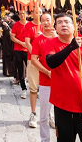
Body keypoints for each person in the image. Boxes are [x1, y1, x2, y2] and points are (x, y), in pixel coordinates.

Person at [43, 13, 82, 142]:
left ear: (75, 26)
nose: (63, 24)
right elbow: (51, 62)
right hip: (62, 107)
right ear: (55, 28)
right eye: (59, 22)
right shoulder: (50, 44)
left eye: (67, 22)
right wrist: (71, 47)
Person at [30, 12, 56, 142]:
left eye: (48, 20)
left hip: (61, 81)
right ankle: (45, 139)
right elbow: (34, 59)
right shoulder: (38, 40)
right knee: (44, 115)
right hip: (46, 82)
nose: (46, 23)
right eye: (43, 20)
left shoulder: (60, 38)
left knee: (62, 114)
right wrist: (47, 72)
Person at [24, 7, 43, 127]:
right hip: (33, 60)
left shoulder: (47, 25)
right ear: (32, 13)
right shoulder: (29, 26)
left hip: (46, 61)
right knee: (33, 88)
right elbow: (27, 42)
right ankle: (33, 112)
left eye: (40, 12)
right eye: (36, 12)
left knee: (47, 89)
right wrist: (36, 56)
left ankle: (48, 113)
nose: (39, 14)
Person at [10, 10, 29, 99]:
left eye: (23, 14)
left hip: (29, 50)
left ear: (27, 15)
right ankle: (23, 89)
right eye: (20, 14)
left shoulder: (30, 24)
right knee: (21, 71)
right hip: (18, 50)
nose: (22, 15)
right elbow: (12, 37)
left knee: (32, 70)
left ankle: (35, 89)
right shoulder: (16, 25)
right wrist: (21, 43)